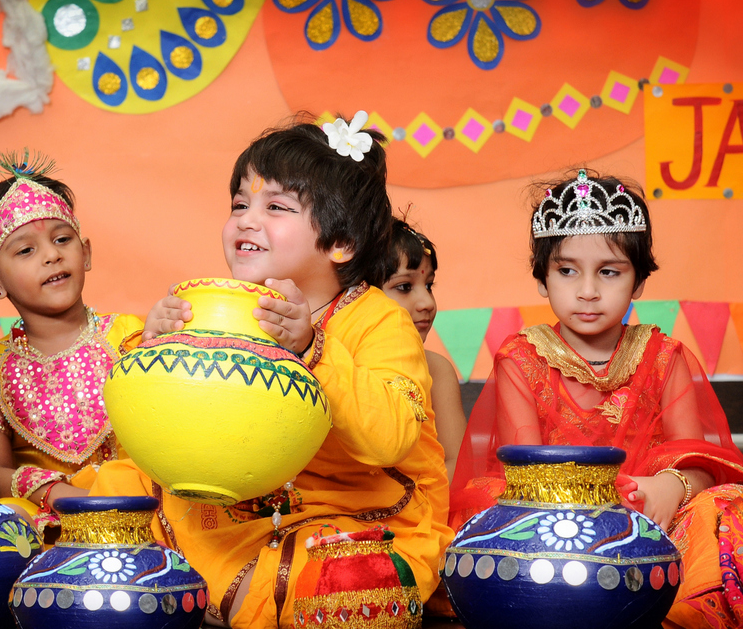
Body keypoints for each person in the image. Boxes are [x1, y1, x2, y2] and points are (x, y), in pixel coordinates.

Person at [91, 112, 451, 629]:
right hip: (249, 501)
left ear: (340, 242)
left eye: (275, 207)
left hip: (353, 512)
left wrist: (312, 347)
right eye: (239, 204)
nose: (245, 219)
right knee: (118, 485)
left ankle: (213, 595)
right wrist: (155, 344)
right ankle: (220, 593)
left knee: (342, 578)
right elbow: (175, 428)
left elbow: (389, 440)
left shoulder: (379, 321)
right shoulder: (227, 307)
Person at [450, 168, 743, 628]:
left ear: (640, 282)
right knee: (499, 520)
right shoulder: (520, 358)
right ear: (542, 280)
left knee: (724, 504)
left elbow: (698, 464)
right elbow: (527, 476)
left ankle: (683, 609)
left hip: (651, 522)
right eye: (567, 271)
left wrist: (673, 486)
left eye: (609, 272)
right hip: (550, 519)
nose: (587, 291)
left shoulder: (664, 356)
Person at [0, 151, 142, 535]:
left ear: (86, 252)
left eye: (62, 239)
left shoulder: (130, 335)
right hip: (45, 514)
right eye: (26, 250)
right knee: (3, 516)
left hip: (133, 500)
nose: (52, 255)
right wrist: (55, 492)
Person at [381, 217, 465, 480]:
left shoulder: (437, 370)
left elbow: (457, 464)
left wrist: (421, 513)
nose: (427, 302)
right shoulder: (337, 364)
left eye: (429, 286)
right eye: (405, 287)